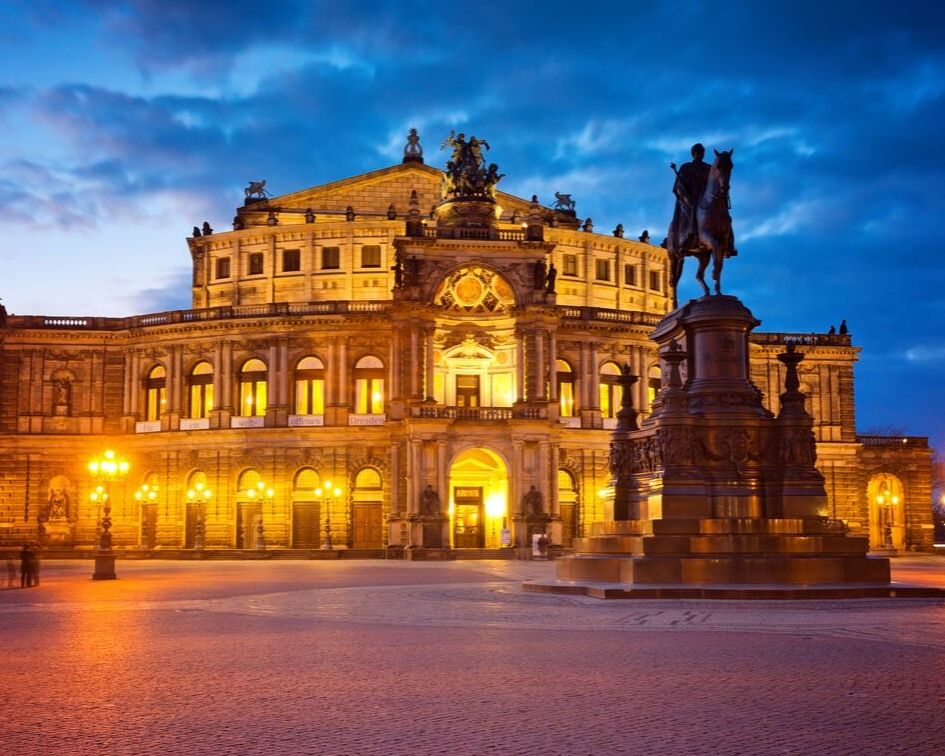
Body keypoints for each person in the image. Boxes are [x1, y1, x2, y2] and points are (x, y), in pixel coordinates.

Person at [671, 143, 712, 246]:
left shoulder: (709, 168)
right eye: (698, 152)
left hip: (707, 199)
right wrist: (686, 198)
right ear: (693, 154)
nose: (700, 154)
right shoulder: (686, 167)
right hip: (691, 199)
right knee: (695, 207)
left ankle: (728, 240)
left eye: (701, 152)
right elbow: (678, 187)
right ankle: (692, 234)